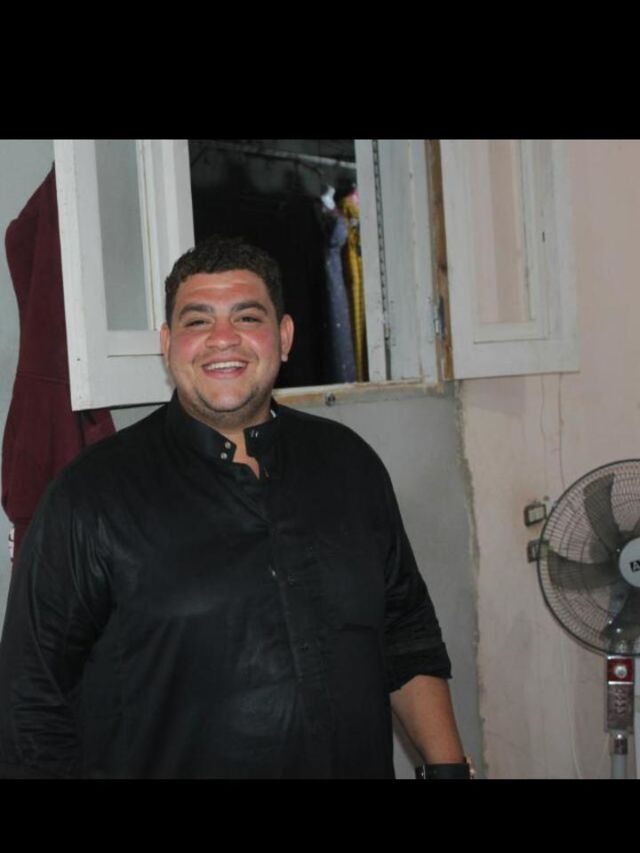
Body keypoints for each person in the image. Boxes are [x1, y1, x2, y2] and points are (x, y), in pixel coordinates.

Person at [0, 235, 469, 779]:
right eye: (197, 321)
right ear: (168, 344)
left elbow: (406, 631)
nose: (222, 339)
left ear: (284, 337)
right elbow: (28, 703)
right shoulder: (90, 497)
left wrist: (449, 770)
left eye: (247, 317)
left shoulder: (350, 465)